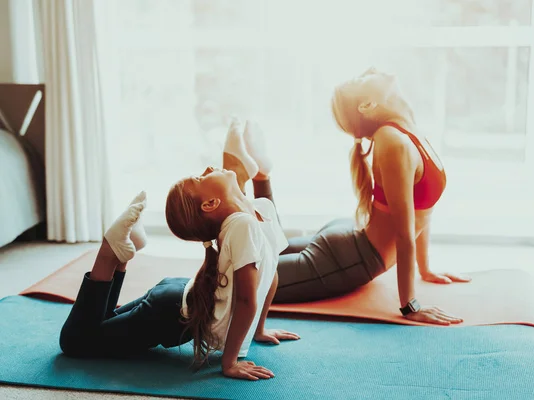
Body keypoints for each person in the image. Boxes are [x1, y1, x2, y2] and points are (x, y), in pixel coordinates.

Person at [58, 118, 300, 381]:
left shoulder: (258, 211)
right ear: (210, 203)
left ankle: (119, 258)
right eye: (201, 177)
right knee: (75, 344)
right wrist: (229, 363)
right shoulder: (246, 223)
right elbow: (245, 299)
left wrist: (259, 330)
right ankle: (108, 255)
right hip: (168, 314)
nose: (209, 168)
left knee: (95, 331)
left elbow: (270, 274)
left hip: (178, 299)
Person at [271, 67, 471, 326]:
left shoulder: (407, 131)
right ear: (368, 104)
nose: (373, 71)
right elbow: (404, 232)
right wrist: (410, 306)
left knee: (252, 262)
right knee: (235, 282)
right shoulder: (392, 140)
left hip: (350, 243)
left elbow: (422, 211)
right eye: (362, 77)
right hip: (350, 258)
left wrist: (426, 268)